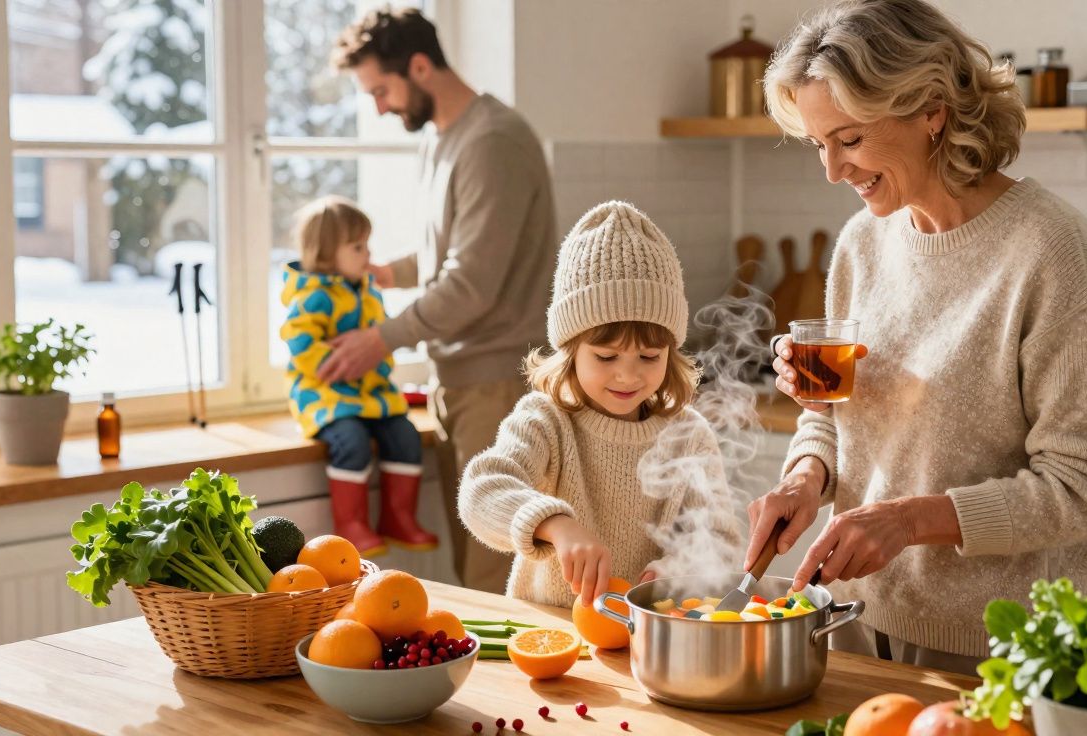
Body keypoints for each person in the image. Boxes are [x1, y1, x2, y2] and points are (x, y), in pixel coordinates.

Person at [746, 0, 1087, 675]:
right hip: (854, 620)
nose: (834, 171)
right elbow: (832, 419)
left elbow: (1086, 485)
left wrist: (909, 520)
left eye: (851, 139)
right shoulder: (862, 244)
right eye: (819, 145)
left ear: (931, 109)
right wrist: (806, 478)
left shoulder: (1048, 249)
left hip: (1002, 649)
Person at [326, 6, 558, 592]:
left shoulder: (494, 140)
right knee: (471, 568)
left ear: (421, 67)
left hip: (499, 385)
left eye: (381, 89)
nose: (379, 107)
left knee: (493, 575)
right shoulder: (442, 139)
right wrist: (386, 272)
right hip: (458, 379)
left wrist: (380, 339)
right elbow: (448, 255)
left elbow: (472, 284)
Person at [458, 202, 742, 608]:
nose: (628, 376)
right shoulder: (544, 421)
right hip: (551, 630)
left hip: (647, 637)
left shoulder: (688, 434)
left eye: (649, 357)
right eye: (606, 358)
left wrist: (682, 570)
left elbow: (720, 539)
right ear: (570, 350)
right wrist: (555, 524)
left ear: (672, 353)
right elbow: (480, 493)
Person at [280, 195, 438, 557]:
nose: (368, 255)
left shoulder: (365, 290)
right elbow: (300, 343)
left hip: (370, 393)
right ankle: (350, 524)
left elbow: (380, 335)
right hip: (325, 394)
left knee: (405, 436)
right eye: (358, 247)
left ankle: (398, 518)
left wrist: (376, 359)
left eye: (367, 245)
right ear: (325, 254)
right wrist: (332, 362)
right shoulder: (312, 296)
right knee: (350, 441)